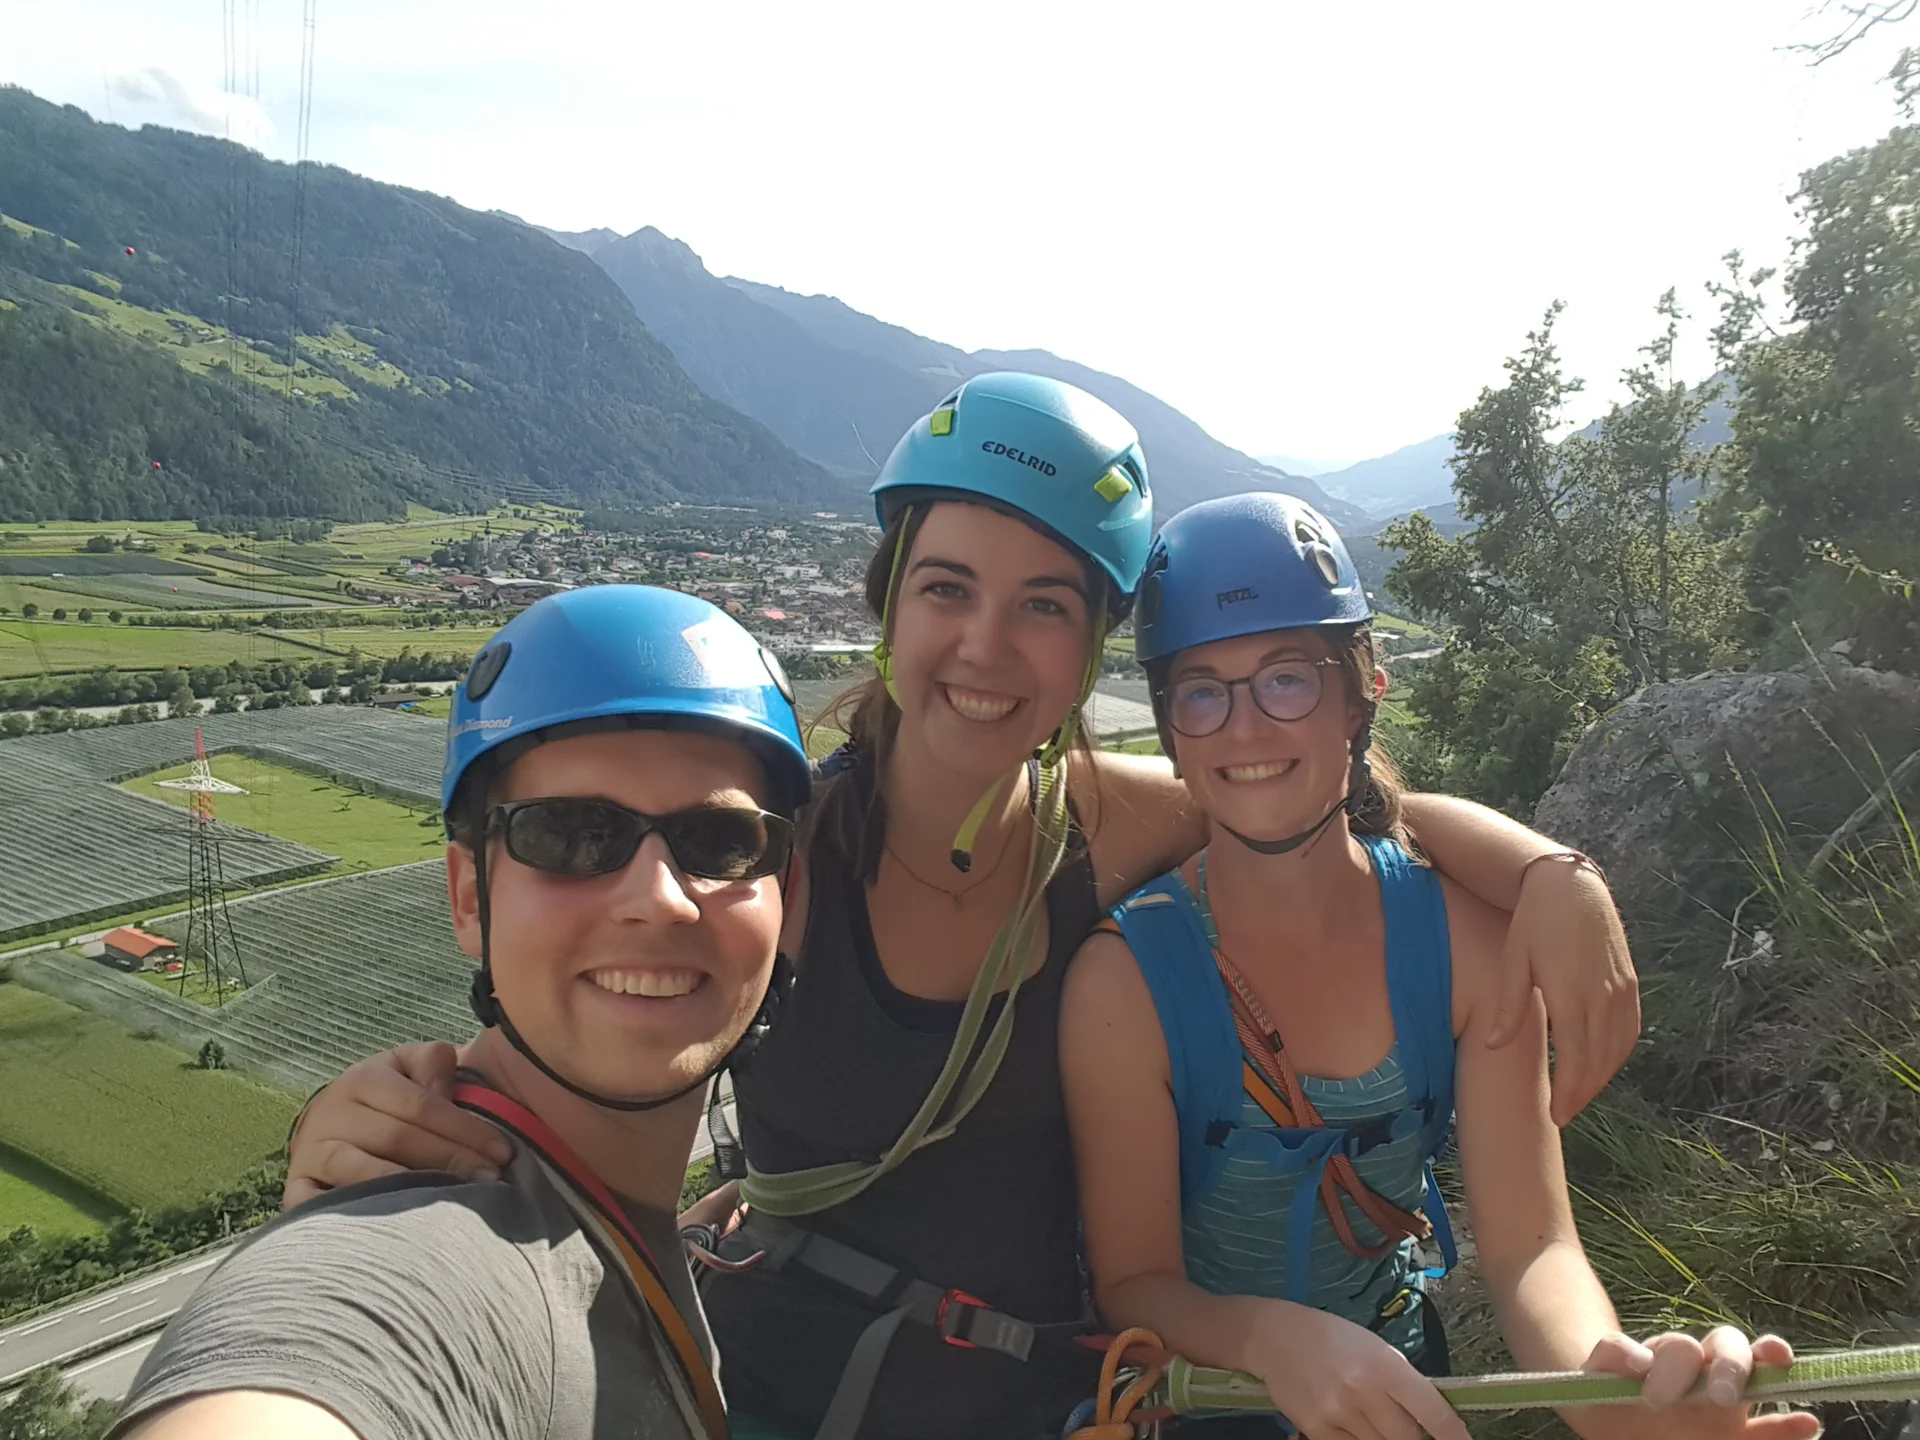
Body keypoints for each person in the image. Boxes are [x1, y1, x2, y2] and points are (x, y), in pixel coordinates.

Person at [285, 373, 1644, 1440]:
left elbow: (1318, 804)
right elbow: (580, 1040)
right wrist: (392, 1117)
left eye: (1044, 606)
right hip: (789, 1401)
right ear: (890, 607)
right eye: (948, 589)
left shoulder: (1116, 822)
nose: (987, 646)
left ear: (1091, 652)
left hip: (1051, 1402)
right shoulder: (774, 861)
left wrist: (1549, 874)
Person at [1059, 493, 1816, 1440]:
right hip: (1203, 1408)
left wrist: (1614, 1398)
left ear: (1361, 694)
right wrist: (1272, 1340)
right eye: (1203, 691)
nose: (1244, 728)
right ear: (1170, 728)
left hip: (1402, 1392)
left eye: (1287, 679)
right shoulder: (1126, 984)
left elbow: (1531, 1248)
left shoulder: (1468, 947)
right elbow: (1135, 1282)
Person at [110, 585, 812, 1440]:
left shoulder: (620, 1222)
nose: (659, 899)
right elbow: (320, 1361)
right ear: (470, 897)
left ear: (786, 895)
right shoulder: (414, 1255)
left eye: (724, 843)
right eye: (572, 834)